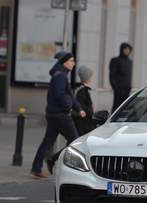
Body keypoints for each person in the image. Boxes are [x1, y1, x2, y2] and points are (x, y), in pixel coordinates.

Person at [30, 52, 85, 180]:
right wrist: (68, 109)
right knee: (76, 142)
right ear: (64, 62)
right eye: (71, 61)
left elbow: (69, 95)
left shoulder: (60, 73)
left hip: (52, 114)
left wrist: (78, 108)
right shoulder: (61, 76)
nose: (73, 63)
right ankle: (66, 166)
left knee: (47, 142)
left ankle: (36, 169)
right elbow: (60, 95)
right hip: (61, 116)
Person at [44, 64, 97, 175]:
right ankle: (66, 164)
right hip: (82, 123)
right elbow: (81, 106)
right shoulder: (82, 90)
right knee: (76, 145)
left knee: (72, 145)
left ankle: (53, 160)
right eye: (91, 75)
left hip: (81, 122)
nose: (92, 76)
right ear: (87, 77)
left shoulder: (79, 88)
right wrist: (91, 110)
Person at [109, 42, 133, 112]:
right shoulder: (115, 61)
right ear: (122, 49)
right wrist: (116, 88)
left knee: (125, 108)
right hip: (119, 89)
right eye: (125, 49)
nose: (127, 51)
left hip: (127, 88)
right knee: (117, 107)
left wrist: (129, 87)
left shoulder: (129, 61)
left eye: (128, 49)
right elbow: (112, 76)